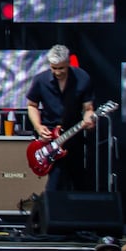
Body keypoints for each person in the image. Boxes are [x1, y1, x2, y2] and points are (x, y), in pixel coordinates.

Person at [25, 44, 102, 191]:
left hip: (74, 135)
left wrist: (89, 119)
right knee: (54, 183)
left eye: (61, 68)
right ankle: (50, 211)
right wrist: (38, 126)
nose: (58, 72)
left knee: (79, 180)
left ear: (68, 63)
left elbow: (88, 108)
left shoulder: (82, 78)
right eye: (54, 68)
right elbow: (32, 105)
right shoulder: (40, 80)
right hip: (49, 137)